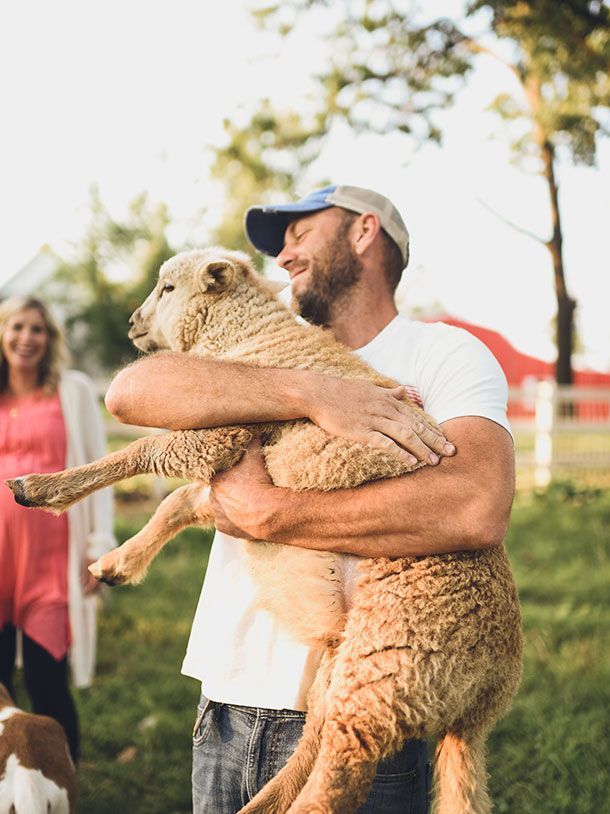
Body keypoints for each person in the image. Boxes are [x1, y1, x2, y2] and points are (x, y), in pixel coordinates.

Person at [105, 184, 515, 813]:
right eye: (279, 243)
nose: (284, 254)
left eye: (301, 230)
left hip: (361, 711)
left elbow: (475, 505)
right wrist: (312, 394)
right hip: (226, 698)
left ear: (364, 231)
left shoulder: (444, 354)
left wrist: (272, 515)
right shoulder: (259, 347)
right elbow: (131, 395)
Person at [0, 296, 116, 763]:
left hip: (52, 563)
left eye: (38, 329)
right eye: (18, 327)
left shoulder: (72, 390)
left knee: (48, 682)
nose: (27, 338)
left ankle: (62, 783)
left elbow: (99, 470)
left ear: (50, 339)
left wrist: (100, 544)